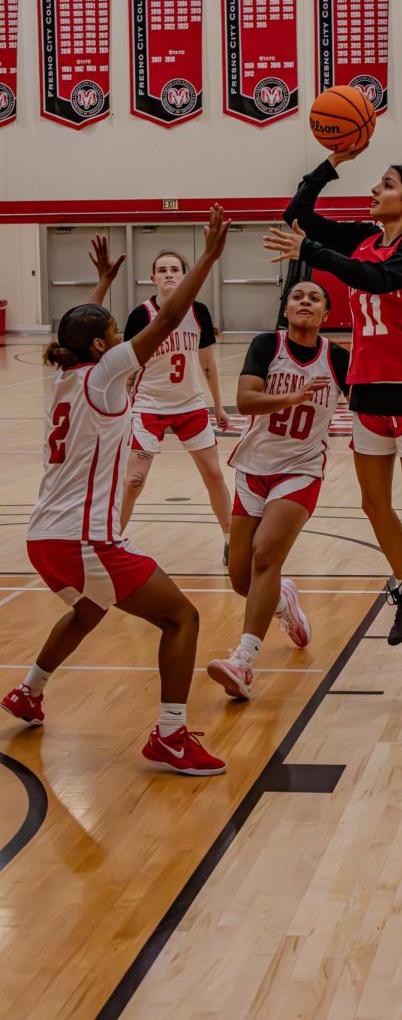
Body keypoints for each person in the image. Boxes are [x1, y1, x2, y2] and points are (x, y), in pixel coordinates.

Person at [1, 217, 230, 775]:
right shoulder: (104, 375)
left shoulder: (68, 374)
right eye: (113, 330)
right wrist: (209, 257)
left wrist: (100, 286)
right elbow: (172, 314)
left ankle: (29, 692)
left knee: (87, 611)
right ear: (104, 345)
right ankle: (170, 736)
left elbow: (75, 331)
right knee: (182, 619)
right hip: (83, 539)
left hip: (43, 536)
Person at [262, 150, 402, 646]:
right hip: (367, 388)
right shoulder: (363, 237)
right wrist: (329, 162)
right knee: (372, 503)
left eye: (384, 185)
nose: (372, 191)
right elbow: (296, 217)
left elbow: (376, 279)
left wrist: (311, 253)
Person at [206, 280, 350, 700]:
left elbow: (367, 401)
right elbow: (246, 400)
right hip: (253, 468)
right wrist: (290, 399)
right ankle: (284, 600)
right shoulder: (266, 345)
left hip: (301, 469)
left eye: (315, 298)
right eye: (297, 297)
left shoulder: (336, 358)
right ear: (286, 309)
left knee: (266, 553)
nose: (305, 301)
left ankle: (243, 662)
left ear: (326, 313)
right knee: (240, 578)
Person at [120, 250, 232, 564]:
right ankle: (111, 541)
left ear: (184, 276)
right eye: (162, 270)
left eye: (175, 270)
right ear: (153, 278)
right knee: (133, 481)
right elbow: (126, 367)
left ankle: (230, 539)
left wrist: (219, 407)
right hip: (148, 406)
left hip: (190, 406)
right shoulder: (140, 315)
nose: (169, 274)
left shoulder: (199, 312)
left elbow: (208, 363)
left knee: (214, 474)